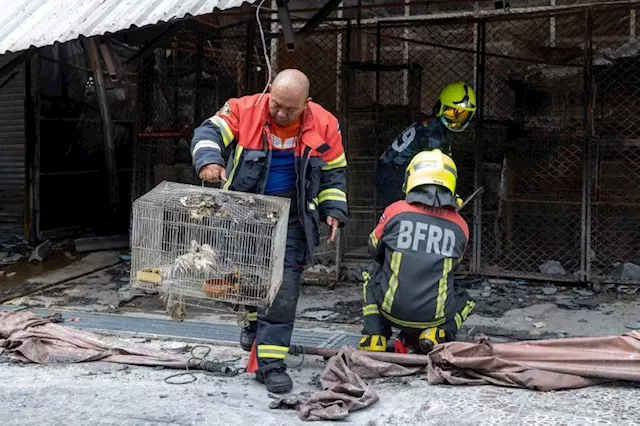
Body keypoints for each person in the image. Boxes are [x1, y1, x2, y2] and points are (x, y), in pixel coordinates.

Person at [190, 69, 348, 393]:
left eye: (289, 108)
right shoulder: (244, 109)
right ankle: (250, 320)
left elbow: (334, 173)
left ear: (307, 103)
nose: (279, 112)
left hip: (292, 219)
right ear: (270, 93)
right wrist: (209, 159)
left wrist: (334, 210)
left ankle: (271, 364)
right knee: (244, 279)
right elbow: (209, 132)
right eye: (276, 104)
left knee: (283, 289)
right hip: (243, 216)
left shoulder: (325, 124)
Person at [360, 148, 475, 354]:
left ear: (411, 177)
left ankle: (375, 336)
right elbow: (454, 265)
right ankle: (435, 333)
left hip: (390, 310)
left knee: (371, 274)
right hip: (435, 315)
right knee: (466, 299)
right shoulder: (461, 226)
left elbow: (374, 249)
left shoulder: (395, 210)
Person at [375, 81, 477, 210]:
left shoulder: (432, 125)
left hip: (392, 173)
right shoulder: (433, 133)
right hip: (393, 176)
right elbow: (436, 172)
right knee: (403, 216)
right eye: (452, 112)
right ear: (440, 108)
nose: (456, 120)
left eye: (463, 115)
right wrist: (450, 196)